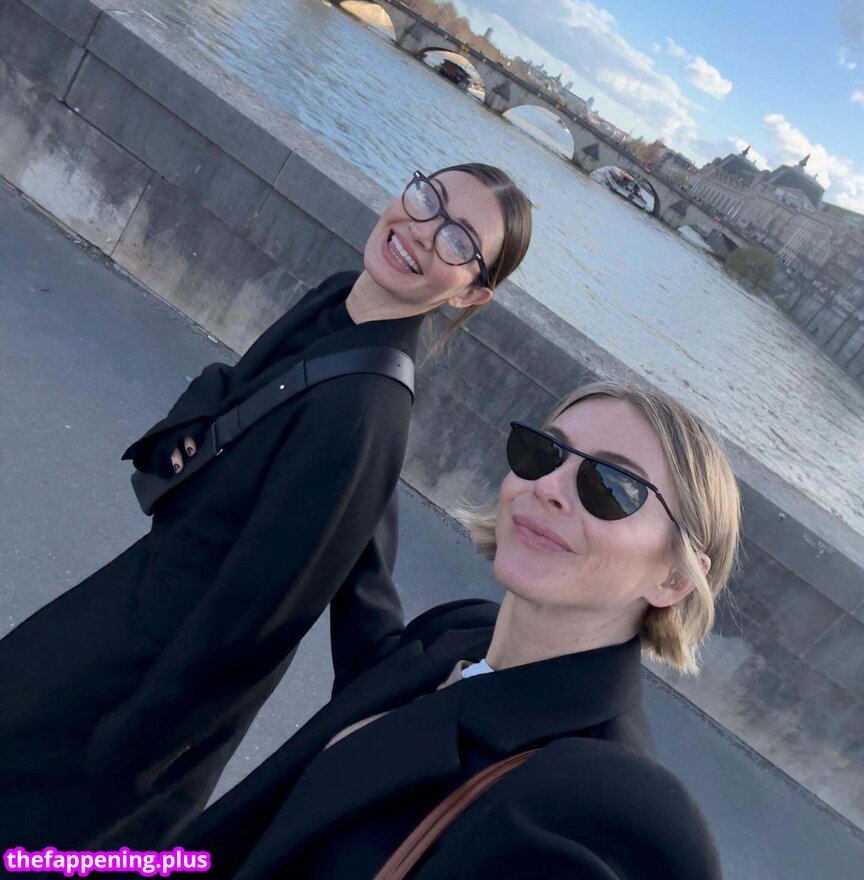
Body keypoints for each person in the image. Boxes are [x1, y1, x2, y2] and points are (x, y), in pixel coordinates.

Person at [0, 166, 532, 851]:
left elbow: (251, 626)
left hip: (143, 689)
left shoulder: (366, 415)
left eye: (459, 240)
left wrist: (125, 746)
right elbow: (238, 389)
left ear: (471, 294)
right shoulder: (338, 300)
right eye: (429, 198)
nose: (424, 230)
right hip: (118, 610)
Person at [178, 380, 740, 878]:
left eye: (612, 486)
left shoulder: (586, 804)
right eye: (544, 451)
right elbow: (374, 680)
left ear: (674, 578)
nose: (548, 486)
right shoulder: (461, 632)